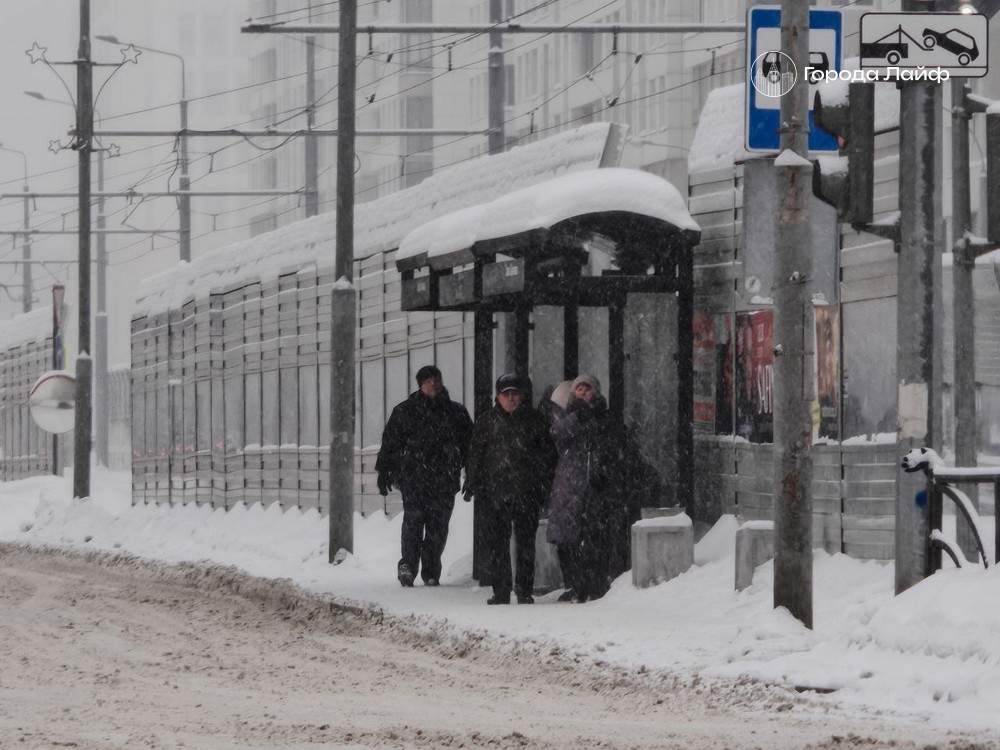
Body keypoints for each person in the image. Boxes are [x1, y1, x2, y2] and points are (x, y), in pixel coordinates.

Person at [376, 365, 473, 588]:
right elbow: (390, 443)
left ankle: (431, 570)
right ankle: (408, 566)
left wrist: (471, 474)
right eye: (428, 379)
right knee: (413, 522)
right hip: (414, 479)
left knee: (438, 528)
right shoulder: (405, 412)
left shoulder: (455, 413)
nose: (433, 383)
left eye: (436, 378)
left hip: (444, 480)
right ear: (420, 384)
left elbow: (470, 446)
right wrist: (384, 471)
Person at [466, 373, 556, 605]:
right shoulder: (486, 422)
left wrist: (543, 484)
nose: (511, 398)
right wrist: (473, 481)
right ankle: (501, 591)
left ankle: (524, 590)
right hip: (494, 492)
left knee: (526, 543)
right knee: (498, 544)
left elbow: (547, 456)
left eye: (515, 394)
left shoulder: (535, 421)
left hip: (527, 491)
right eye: (506, 394)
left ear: (522, 395)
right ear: (497, 396)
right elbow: (476, 455)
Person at [547, 373, 626, 603]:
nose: (582, 392)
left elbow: (615, 443)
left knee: (593, 537)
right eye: (578, 388)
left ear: (596, 392)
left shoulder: (605, 418)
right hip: (569, 486)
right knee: (568, 538)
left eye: (587, 388)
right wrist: (578, 419)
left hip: (596, 487)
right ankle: (574, 584)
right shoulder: (566, 416)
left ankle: (594, 584)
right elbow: (557, 434)